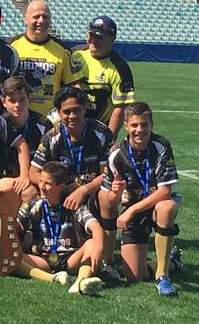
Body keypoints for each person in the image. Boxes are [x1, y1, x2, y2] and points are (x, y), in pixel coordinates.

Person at [30, 86, 117, 278]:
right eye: (66, 111)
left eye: (76, 110)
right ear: (59, 113)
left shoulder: (101, 133)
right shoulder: (52, 136)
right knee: (29, 192)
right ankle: (37, 244)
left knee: (107, 196)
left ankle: (107, 260)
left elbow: (109, 173)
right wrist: (52, 188)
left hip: (91, 193)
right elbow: (33, 171)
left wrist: (82, 189)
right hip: (60, 194)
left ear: (84, 109)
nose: (72, 116)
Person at [98, 102, 182, 296]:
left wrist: (131, 211)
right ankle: (172, 260)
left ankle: (163, 276)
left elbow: (165, 191)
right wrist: (116, 194)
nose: (140, 130)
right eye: (134, 125)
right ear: (126, 126)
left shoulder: (161, 145)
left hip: (154, 206)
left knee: (166, 207)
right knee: (135, 276)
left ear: (151, 125)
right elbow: (110, 197)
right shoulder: (116, 153)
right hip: (132, 208)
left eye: (144, 124)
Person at [15, 161, 105, 295]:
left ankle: (80, 283)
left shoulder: (72, 204)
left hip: (70, 259)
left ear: (61, 186)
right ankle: (53, 278)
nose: (42, 187)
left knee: (92, 243)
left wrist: (98, 248)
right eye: (40, 181)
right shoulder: (34, 205)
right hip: (44, 259)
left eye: (48, 184)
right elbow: (14, 227)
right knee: (12, 257)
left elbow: (96, 228)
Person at [8, 0, 83, 118]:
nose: (41, 21)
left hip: (52, 120)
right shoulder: (11, 47)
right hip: (18, 118)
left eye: (45, 17)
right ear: (26, 19)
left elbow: (74, 86)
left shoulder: (62, 50)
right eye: (36, 17)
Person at [72, 15, 135, 136]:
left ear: (112, 39)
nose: (94, 40)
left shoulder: (121, 69)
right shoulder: (74, 53)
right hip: (70, 126)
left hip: (98, 131)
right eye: (92, 35)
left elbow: (120, 108)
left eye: (100, 37)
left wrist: (108, 139)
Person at [0, 75, 52, 200]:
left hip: (34, 181)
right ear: (3, 102)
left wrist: (29, 178)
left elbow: (51, 162)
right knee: (0, 188)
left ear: (29, 99)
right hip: (6, 179)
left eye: (22, 99)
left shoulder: (44, 125)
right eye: (12, 100)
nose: (17, 105)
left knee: (29, 193)